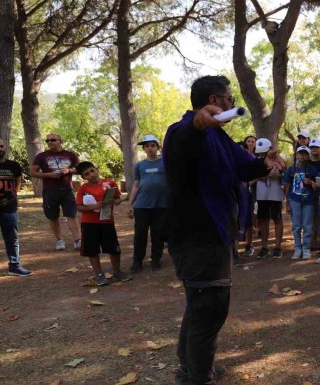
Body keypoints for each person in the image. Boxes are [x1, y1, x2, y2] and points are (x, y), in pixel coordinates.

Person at [162, 75, 268, 385]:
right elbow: (184, 141)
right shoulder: (183, 131)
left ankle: (191, 368)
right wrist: (197, 123)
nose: (233, 104)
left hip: (216, 233)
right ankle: (199, 377)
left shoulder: (219, 137)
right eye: (230, 99)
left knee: (200, 304)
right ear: (214, 101)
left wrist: (266, 164)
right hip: (197, 237)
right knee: (210, 307)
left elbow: (245, 167)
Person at [74, 161, 131, 286]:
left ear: (97, 169)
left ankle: (117, 272)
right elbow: (79, 207)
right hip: (89, 223)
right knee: (92, 250)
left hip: (107, 221)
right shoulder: (83, 189)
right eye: (87, 174)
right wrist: (95, 206)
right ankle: (99, 275)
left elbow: (118, 199)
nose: (91, 175)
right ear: (83, 177)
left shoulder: (110, 183)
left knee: (114, 248)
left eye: (92, 171)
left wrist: (114, 202)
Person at [30, 133, 81, 251]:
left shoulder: (70, 155)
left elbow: (80, 169)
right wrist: (49, 175)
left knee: (71, 215)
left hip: (67, 190)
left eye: (53, 140)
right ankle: (59, 240)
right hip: (50, 191)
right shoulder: (41, 156)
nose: (50, 142)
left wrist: (69, 170)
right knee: (53, 217)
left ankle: (78, 240)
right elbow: (32, 172)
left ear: (60, 141)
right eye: (47, 141)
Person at [127, 135, 168, 273]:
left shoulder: (165, 162)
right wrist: (130, 204)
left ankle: (156, 260)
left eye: (153, 145)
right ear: (143, 149)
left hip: (161, 205)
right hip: (142, 206)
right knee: (140, 235)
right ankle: (137, 261)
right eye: (147, 146)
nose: (150, 148)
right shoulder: (140, 165)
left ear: (158, 147)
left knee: (158, 234)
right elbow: (136, 184)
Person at [0, 139, 31, 276]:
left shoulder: (13, 165)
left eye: (1, 146)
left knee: (12, 239)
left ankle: (15, 266)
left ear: (5, 147)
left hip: (9, 209)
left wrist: (13, 196)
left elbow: (18, 181)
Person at [283, 146, 319, 260]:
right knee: (296, 226)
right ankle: (297, 248)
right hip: (295, 200)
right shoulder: (291, 169)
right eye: (300, 153)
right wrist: (287, 204)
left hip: (308, 200)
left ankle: (306, 248)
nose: (302, 155)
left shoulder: (312, 169)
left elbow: (318, 186)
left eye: (305, 154)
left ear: (308, 156)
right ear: (296, 155)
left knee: (308, 225)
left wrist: (311, 182)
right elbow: (287, 187)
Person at [254, 138, 286, 259]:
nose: (262, 154)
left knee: (277, 219)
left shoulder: (279, 158)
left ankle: (277, 247)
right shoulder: (256, 161)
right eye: (260, 152)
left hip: (275, 193)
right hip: (262, 194)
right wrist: (259, 176)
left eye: (265, 151)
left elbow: (285, 173)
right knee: (263, 219)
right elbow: (252, 175)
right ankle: (264, 247)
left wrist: (278, 175)